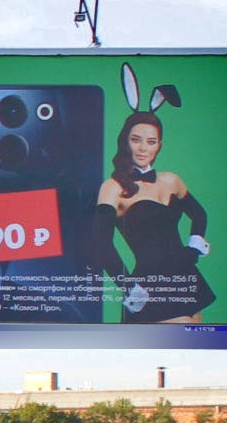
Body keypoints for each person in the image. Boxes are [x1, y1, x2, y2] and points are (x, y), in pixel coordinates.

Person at [91, 111, 214, 325]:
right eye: (136, 140)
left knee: (191, 348)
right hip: (151, 286)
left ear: (159, 145)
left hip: (186, 279)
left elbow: (199, 214)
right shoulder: (112, 187)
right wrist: (128, 286)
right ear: (124, 141)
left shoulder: (171, 180)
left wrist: (193, 248)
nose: (143, 148)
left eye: (151, 141)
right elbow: (101, 244)